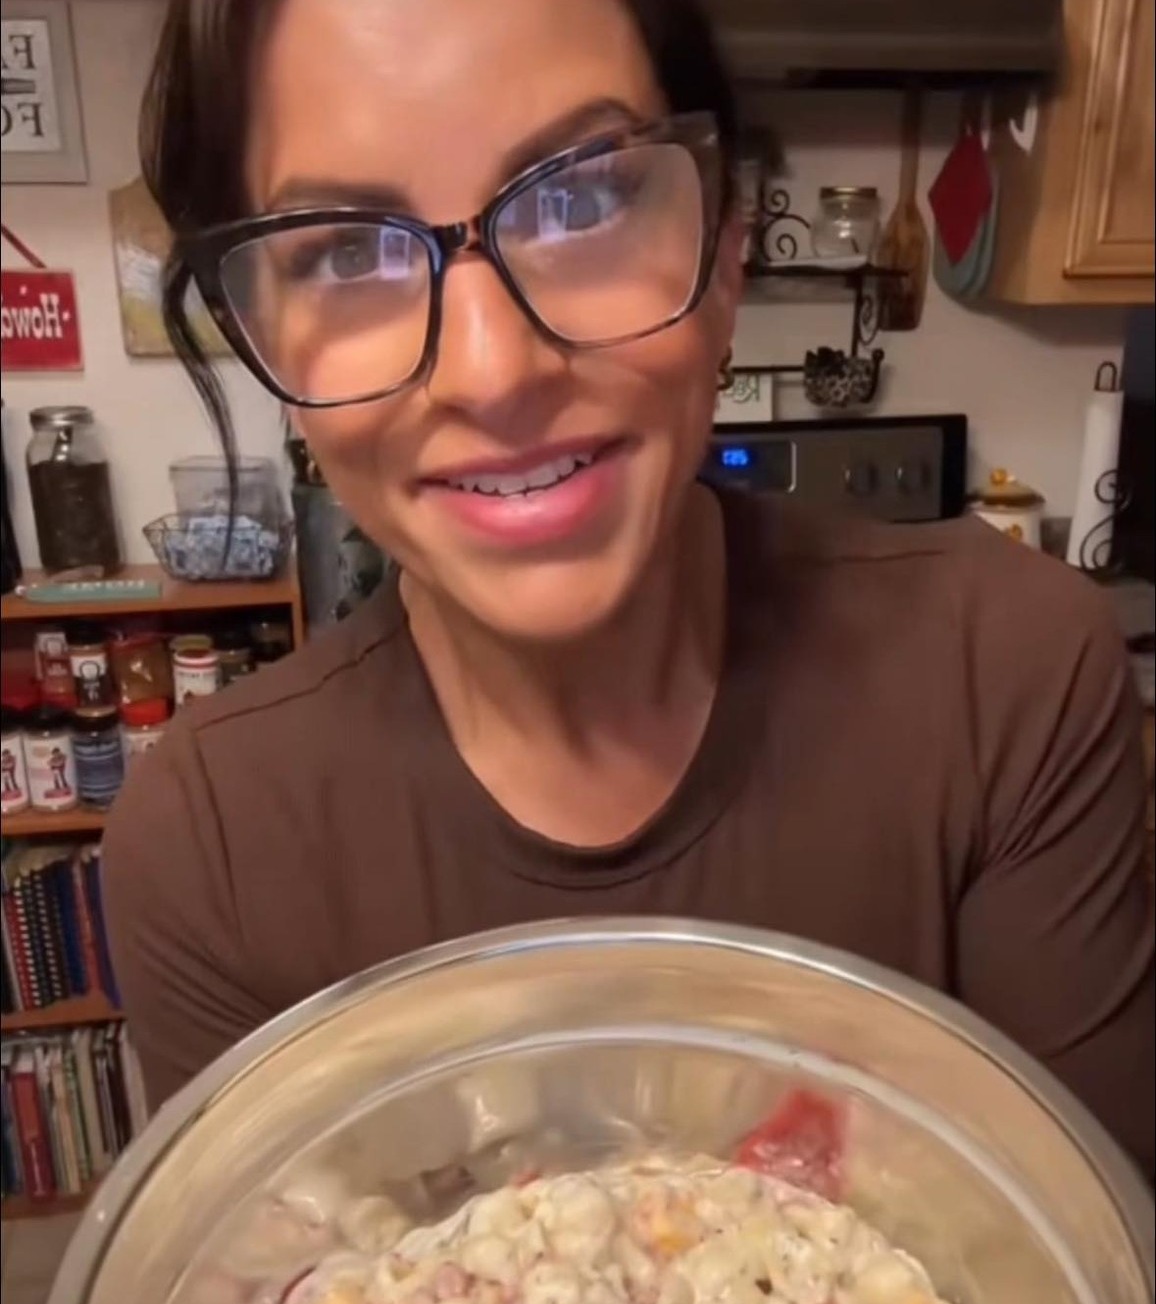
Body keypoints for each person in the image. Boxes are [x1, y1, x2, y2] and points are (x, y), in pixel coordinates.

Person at [104, 0, 1153, 1176]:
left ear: (725, 248)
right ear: (269, 350)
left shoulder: (1007, 674)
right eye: (347, 251)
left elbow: (1081, 1286)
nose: (493, 373)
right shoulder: (215, 843)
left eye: (581, 196)